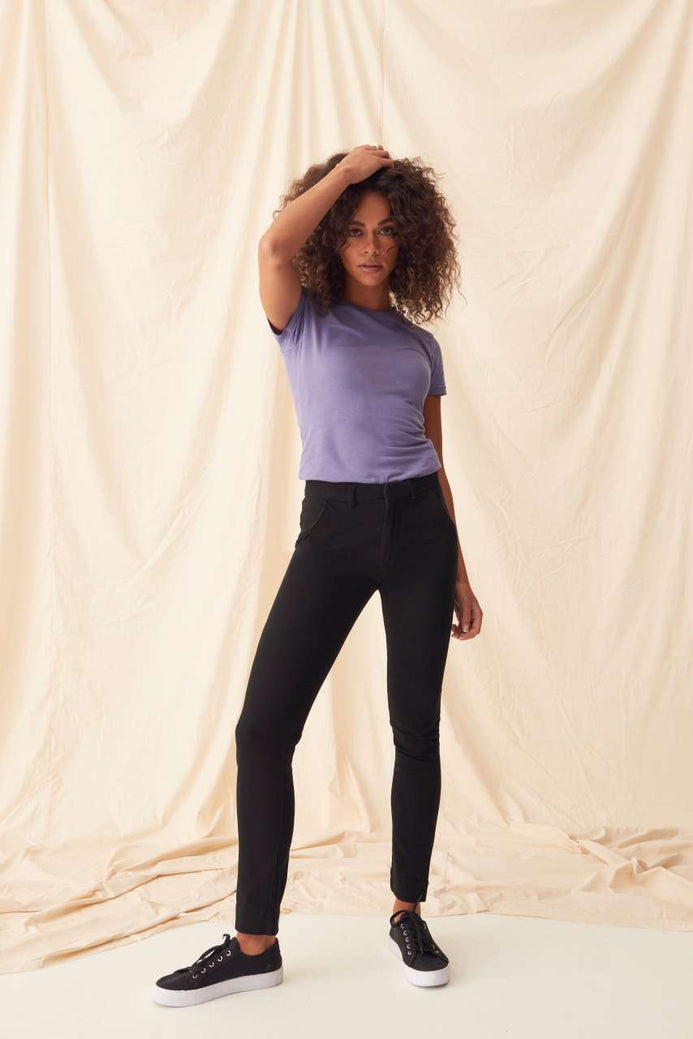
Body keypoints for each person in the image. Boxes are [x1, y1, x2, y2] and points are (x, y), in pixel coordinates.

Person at [152, 143, 483, 1007]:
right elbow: (271, 246)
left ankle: (407, 911)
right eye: (355, 229)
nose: (372, 245)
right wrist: (341, 175)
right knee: (264, 729)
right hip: (333, 527)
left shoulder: (419, 345)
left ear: (410, 241)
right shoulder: (301, 317)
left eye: (388, 230)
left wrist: (458, 569)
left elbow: (434, 459)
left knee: (415, 728)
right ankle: (253, 942)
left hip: (419, 531)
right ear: (332, 235)